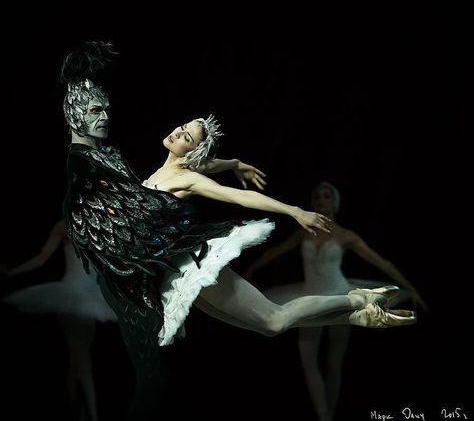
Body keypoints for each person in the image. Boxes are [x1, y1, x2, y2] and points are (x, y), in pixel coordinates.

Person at [61, 41, 416, 416]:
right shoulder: (166, 171)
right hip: (182, 276)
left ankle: (357, 299)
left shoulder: (186, 177)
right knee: (268, 327)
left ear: (189, 154)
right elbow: (210, 165)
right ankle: (358, 313)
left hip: (195, 267)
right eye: (182, 127)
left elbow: (237, 197)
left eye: (186, 137)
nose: (178, 132)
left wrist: (294, 210)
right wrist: (236, 161)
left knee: (276, 319)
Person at [243, 181, 428, 421]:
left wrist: (411, 288)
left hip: (341, 296)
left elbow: (382, 263)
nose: (321, 199)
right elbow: (272, 252)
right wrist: (250, 272)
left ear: (335, 202)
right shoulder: (304, 231)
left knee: (334, 360)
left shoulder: (345, 236)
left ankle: (330, 413)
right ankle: (324, 415)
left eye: (326, 195)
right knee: (308, 358)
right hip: (307, 296)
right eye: (317, 196)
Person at [2, 219, 117, 421]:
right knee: (82, 363)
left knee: (77, 364)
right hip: (70, 297)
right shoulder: (65, 224)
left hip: (92, 300)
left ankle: (78, 414)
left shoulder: (100, 222)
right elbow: (42, 257)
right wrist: (12, 272)